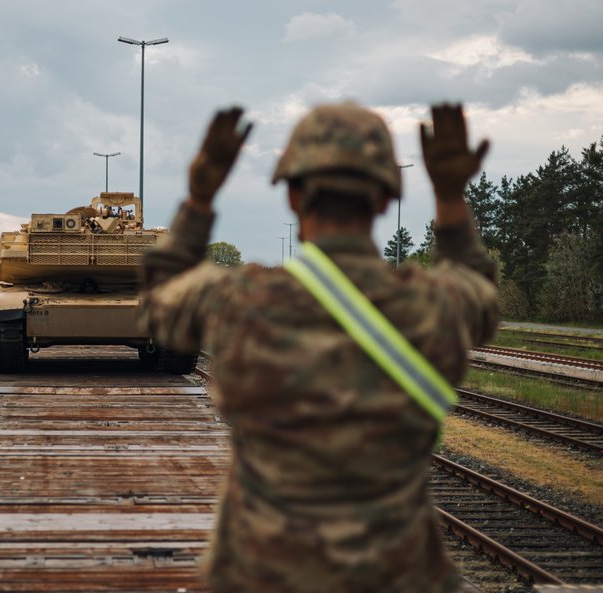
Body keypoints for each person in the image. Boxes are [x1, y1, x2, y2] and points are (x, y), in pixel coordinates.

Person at [139, 103, 497, 593]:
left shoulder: (239, 302)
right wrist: (451, 198)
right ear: (384, 200)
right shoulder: (434, 307)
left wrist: (200, 196)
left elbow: (161, 300)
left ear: (292, 196)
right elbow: (479, 291)